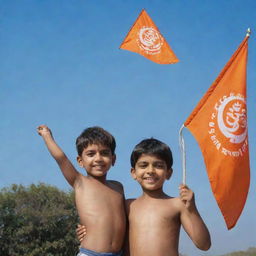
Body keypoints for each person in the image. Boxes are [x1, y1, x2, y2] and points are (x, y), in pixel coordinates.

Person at [77, 138, 211, 256]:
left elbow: (204, 245)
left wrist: (192, 209)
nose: (150, 171)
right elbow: (110, 229)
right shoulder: (128, 206)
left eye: (158, 165)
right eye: (143, 165)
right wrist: (87, 231)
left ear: (168, 173)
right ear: (133, 173)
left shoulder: (178, 204)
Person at [37, 125, 126, 256]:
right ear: (80, 161)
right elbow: (61, 158)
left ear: (113, 159)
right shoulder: (80, 182)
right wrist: (47, 136)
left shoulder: (118, 187)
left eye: (104, 153)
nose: (98, 158)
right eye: (91, 154)